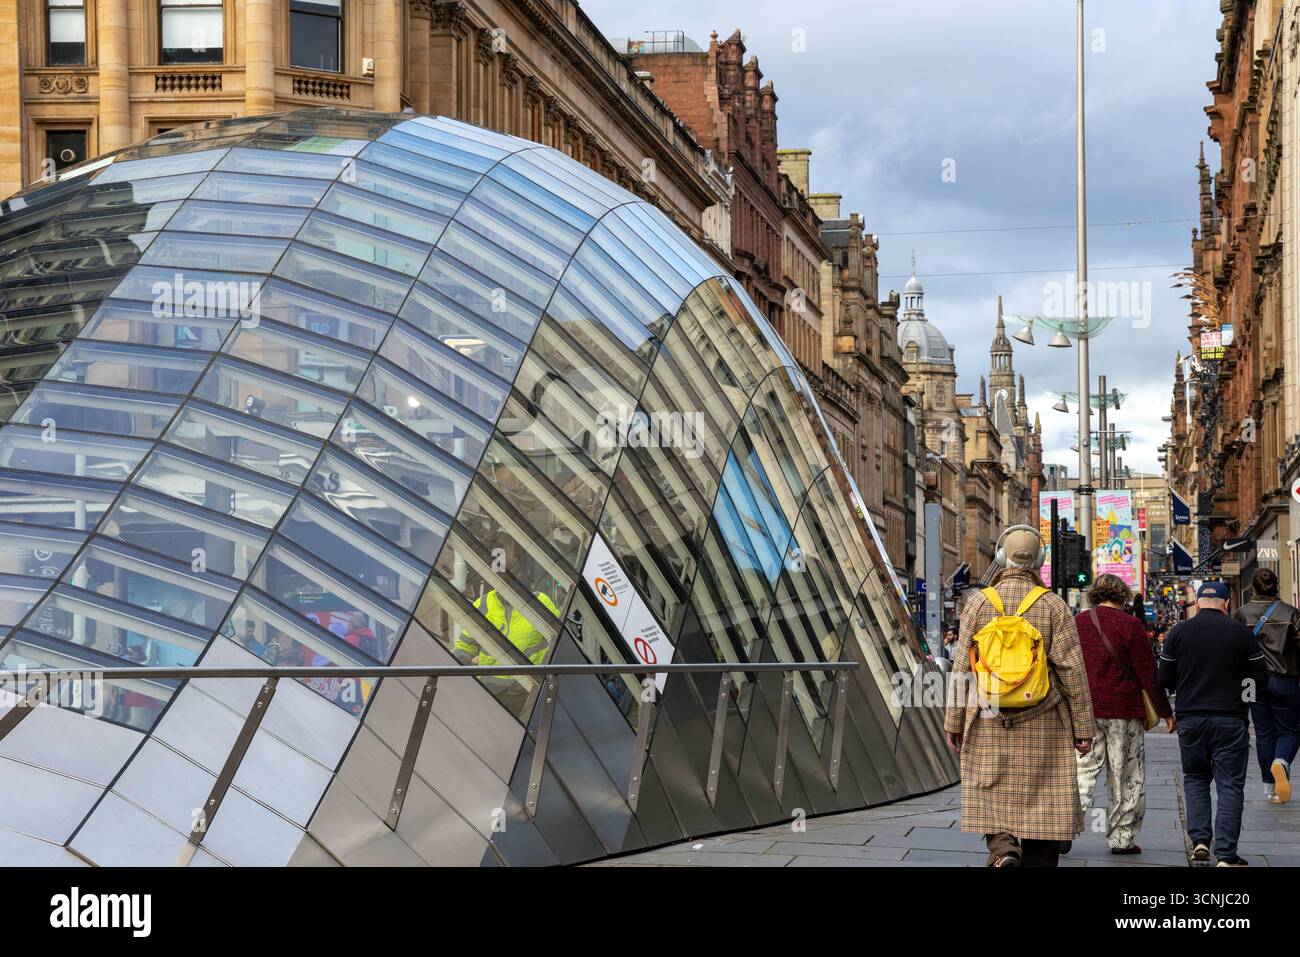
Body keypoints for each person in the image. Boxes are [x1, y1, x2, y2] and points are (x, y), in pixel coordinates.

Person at [945, 524, 1095, 867]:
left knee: (990, 789)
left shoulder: (978, 603)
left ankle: (1003, 850)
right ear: (1040, 560)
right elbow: (1073, 671)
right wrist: (1083, 728)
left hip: (987, 716)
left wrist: (954, 721)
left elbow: (960, 671)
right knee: (1045, 801)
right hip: (1044, 720)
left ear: (1001, 557)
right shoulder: (1054, 606)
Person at [1160, 581, 1268, 866]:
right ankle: (1226, 855)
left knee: (1195, 778)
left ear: (1197, 603)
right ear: (1227, 604)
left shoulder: (1178, 632)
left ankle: (1200, 841)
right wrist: (1244, 699)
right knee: (1230, 785)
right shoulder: (1241, 634)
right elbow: (1260, 679)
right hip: (1231, 719)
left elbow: (1165, 680)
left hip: (1191, 719)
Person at [1071, 573, 1173, 855]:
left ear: (1094, 595)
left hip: (1086, 710)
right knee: (1126, 774)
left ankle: (1063, 828)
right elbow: (1147, 672)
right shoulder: (1131, 625)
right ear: (1123, 596)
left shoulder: (1078, 623)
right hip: (1124, 711)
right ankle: (1121, 837)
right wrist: (1165, 711)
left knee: (1082, 771)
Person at [1233, 568, 1300, 803]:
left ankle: (1269, 786)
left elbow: (1236, 650)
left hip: (1251, 681)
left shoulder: (1241, 613)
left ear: (1253, 587)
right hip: (1285, 679)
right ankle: (1281, 762)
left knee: (1263, 732)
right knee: (1291, 730)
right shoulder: (1291, 614)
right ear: (1276, 585)